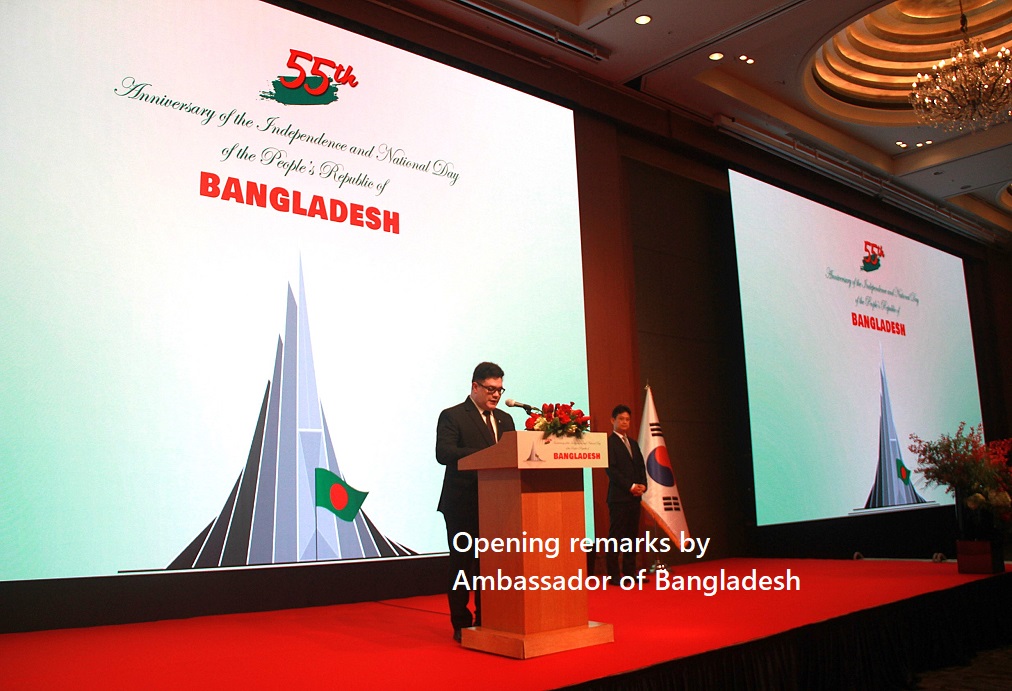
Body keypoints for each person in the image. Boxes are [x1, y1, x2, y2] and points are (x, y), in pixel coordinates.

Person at [435, 361, 516, 642]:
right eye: (491, 389)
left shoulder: (506, 419)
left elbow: (510, 456)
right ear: (475, 387)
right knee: (462, 564)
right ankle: (461, 622)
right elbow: (444, 453)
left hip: (497, 504)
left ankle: (487, 617)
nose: (496, 395)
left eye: (500, 389)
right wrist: (487, 454)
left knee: (490, 565)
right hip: (462, 504)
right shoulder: (453, 416)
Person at [605, 404, 647, 583]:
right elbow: (611, 470)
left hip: (635, 498)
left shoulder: (634, 444)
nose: (624, 422)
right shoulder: (609, 443)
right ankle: (614, 574)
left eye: (627, 419)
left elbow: (641, 467)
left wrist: (643, 485)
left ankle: (630, 572)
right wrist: (630, 486)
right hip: (619, 498)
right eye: (621, 419)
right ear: (613, 420)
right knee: (616, 536)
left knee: (632, 536)